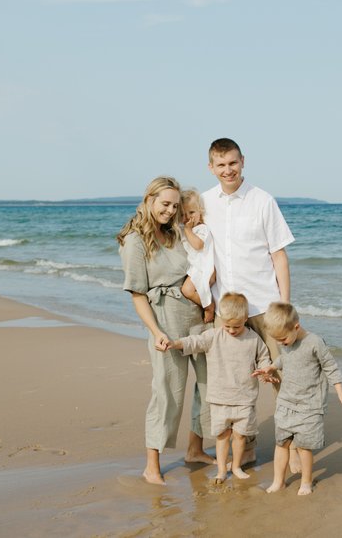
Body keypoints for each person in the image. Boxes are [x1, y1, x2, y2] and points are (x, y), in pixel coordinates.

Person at [202, 137, 294, 464]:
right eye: (221, 165)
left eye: (233, 163)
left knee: (282, 378)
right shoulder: (203, 203)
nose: (228, 170)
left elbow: (279, 255)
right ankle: (248, 446)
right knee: (238, 384)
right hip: (227, 311)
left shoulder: (263, 200)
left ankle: (293, 447)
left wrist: (285, 305)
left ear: (243, 161)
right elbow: (198, 254)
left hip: (265, 307)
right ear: (211, 168)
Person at [117, 176, 213, 485]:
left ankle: (195, 449)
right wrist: (156, 331)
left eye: (175, 206)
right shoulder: (134, 240)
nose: (170, 211)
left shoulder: (175, 233)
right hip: (164, 316)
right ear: (149, 200)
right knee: (168, 391)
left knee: (209, 383)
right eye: (165, 204)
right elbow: (137, 294)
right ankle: (152, 465)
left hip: (195, 311)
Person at [252, 302, 342, 496]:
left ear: (296, 327)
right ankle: (278, 481)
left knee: (304, 447)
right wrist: (272, 367)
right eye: (277, 340)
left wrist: (340, 391)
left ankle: (306, 482)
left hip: (310, 405)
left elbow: (330, 366)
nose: (282, 343)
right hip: (286, 402)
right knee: (281, 443)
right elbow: (285, 358)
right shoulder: (285, 341)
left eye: (283, 339)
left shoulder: (314, 342)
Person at [166, 292, 271, 483]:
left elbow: (263, 356)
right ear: (221, 319)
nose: (231, 331)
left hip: (244, 398)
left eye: (236, 327)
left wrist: (264, 370)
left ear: (245, 319)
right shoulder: (214, 335)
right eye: (227, 326)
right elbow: (194, 342)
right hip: (220, 398)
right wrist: (175, 344)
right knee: (222, 436)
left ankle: (237, 466)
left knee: (240, 436)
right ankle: (222, 470)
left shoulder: (253, 339)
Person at [179, 189, 216, 323]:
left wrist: (187, 230)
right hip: (195, 267)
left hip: (203, 267)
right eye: (183, 214)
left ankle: (208, 306)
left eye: (192, 212)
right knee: (189, 290)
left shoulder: (202, 229)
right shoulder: (187, 229)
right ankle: (206, 303)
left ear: (201, 212)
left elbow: (198, 245)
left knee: (187, 290)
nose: (188, 217)